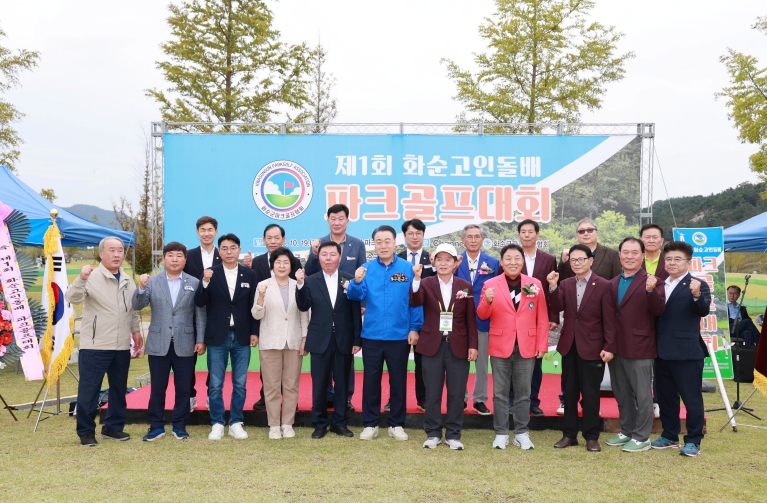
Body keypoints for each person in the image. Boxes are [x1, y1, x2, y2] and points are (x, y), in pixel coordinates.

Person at [347, 225, 423, 441]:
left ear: (395, 242)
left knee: (398, 382)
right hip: (372, 335)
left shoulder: (408, 269)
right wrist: (356, 281)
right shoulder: (366, 269)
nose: (383, 245)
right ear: (374, 245)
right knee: (371, 381)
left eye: (387, 241)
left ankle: (396, 424)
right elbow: (354, 296)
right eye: (378, 242)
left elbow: (415, 301)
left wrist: (414, 328)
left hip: (399, 336)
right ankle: (370, 424)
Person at [65, 237, 142, 447]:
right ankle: (86, 432)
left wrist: (136, 331)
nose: (117, 254)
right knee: (89, 391)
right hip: (95, 345)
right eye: (112, 250)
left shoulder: (127, 279)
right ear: (101, 254)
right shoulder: (90, 276)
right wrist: (81, 278)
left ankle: (113, 427)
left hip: (121, 345)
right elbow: (72, 297)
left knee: (118, 389)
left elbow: (131, 310)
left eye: (120, 250)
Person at [476, 244, 549, 450]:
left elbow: (542, 317)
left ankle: (521, 433)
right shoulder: (490, 284)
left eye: (517, 258)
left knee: (523, 393)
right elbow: (482, 314)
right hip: (500, 346)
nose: (513, 262)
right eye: (508, 258)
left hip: (527, 346)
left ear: (523, 261)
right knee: (499, 393)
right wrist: (487, 301)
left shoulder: (534, 284)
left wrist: (541, 344)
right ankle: (501, 433)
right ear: (501, 262)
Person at [132, 242, 207, 441]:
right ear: (163, 258)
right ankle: (156, 426)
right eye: (171, 255)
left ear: (185, 259)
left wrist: (201, 339)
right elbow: (137, 305)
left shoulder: (194, 282)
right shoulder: (152, 282)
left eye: (179, 256)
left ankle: (180, 425)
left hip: (186, 342)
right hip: (159, 342)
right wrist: (141, 288)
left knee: (184, 388)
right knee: (157, 387)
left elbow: (200, 313)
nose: (175, 259)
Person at [547, 244, 615, 452]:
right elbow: (557, 306)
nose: (577, 263)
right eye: (573, 260)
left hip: (593, 347)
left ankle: (591, 437)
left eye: (581, 259)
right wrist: (553, 287)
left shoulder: (604, 285)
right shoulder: (566, 283)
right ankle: (569, 435)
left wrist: (609, 346)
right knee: (569, 393)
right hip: (569, 346)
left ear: (590, 260)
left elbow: (610, 319)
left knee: (591, 394)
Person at [410, 243, 478, 450]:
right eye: (439, 259)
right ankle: (433, 433)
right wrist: (416, 280)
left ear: (456, 263)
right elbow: (415, 301)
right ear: (433, 262)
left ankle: (453, 434)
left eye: (448, 259)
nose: (443, 263)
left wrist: (473, 345)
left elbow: (470, 319)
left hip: (458, 345)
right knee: (432, 392)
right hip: (432, 345)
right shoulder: (425, 283)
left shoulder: (465, 286)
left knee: (456, 393)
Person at [194, 233, 258, 441]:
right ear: (219, 251)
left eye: (233, 248)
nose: (229, 252)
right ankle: (217, 423)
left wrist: (254, 332)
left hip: (242, 335)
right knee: (215, 383)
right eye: (224, 248)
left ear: (239, 250)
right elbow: (199, 302)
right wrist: (204, 282)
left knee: (240, 382)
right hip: (217, 336)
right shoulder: (211, 273)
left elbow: (254, 305)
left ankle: (236, 422)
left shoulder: (249, 274)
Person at [604, 237, 665, 453]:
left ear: (642, 256)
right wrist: (608, 345)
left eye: (634, 252)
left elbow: (659, 310)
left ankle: (642, 436)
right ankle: (627, 430)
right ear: (619, 256)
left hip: (640, 347)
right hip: (616, 348)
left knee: (642, 394)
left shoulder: (652, 281)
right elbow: (609, 317)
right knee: (621, 392)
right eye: (625, 252)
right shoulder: (612, 283)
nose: (630, 256)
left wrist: (651, 291)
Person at [295, 241, 362, 439]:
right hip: (319, 338)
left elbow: (355, 312)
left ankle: (340, 423)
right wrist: (300, 285)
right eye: (324, 254)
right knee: (320, 383)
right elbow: (303, 305)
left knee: (342, 383)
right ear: (318, 257)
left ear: (339, 258)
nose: (328, 258)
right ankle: (320, 424)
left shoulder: (350, 280)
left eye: (333, 254)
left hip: (344, 338)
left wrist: (357, 339)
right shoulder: (310, 280)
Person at [650, 241, 711, 457]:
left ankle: (693, 440)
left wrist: (696, 295)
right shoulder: (659, 284)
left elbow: (703, 310)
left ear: (688, 262)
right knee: (665, 397)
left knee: (691, 399)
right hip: (661, 351)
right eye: (668, 259)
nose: (672, 263)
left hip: (687, 353)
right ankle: (670, 435)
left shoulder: (697, 284)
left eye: (677, 259)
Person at [305, 204, 367, 411]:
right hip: (324, 309)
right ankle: (327, 397)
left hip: (347, 308)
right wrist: (313, 253)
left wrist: (362, 304)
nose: (337, 222)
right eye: (333, 218)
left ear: (347, 221)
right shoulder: (319, 244)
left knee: (345, 360)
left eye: (341, 218)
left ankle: (345, 398)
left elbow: (363, 273)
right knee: (323, 361)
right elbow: (309, 273)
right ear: (328, 220)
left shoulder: (357, 244)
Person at [556, 218, 621, 415]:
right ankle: (568, 415)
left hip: (596, 330)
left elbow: (616, 286)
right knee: (569, 382)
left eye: (589, 230)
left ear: (597, 232)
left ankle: (590, 418)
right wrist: (563, 263)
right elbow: (562, 285)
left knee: (591, 385)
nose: (585, 233)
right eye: (581, 231)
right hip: (572, 333)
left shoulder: (611, 255)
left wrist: (610, 342)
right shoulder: (569, 256)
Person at [243, 223, 302, 411]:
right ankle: (266, 396)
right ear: (263, 240)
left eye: (277, 237)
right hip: (266, 321)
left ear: (284, 240)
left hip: (289, 323)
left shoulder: (294, 261)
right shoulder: (257, 262)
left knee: (289, 369)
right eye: (269, 238)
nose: (273, 241)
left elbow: (300, 293)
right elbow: (254, 298)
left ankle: (289, 399)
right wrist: (254, 330)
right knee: (268, 365)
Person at [251, 247, 309, 439]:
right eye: (278, 262)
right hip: (270, 342)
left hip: (293, 342)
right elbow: (256, 314)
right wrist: (260, 296)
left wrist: (304, 338)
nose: (282, 266)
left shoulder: (298, 284)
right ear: (272, 265)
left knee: (291, 385)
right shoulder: (263, 285)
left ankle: (288, 423)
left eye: (286, 262)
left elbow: (304, 314)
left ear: (291, 266)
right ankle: (274, 425)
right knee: (272, 386)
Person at [509, 219, 558, 417]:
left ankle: (533, 401)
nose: (527, 235)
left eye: (530, 231)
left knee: (536, 361)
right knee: (513, 359)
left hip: (538, 318)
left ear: (537, 234)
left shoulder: (549, 259)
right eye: (523, 231)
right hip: (514, 317)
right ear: (519, 235)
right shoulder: (512, 257)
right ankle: (512, 400)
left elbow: (552, 288)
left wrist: (553, 316)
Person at [455, 224, 500, 416]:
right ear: (463, 240)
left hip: (483, 319)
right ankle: (460, 398)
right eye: (469, 237)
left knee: (481, 362)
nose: (473, 240)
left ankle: (480, 399)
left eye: (477, 236)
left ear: (482, 239)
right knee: (459, 362)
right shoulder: (455, 261)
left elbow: (498, 289)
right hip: (459, 320)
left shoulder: (493, 263)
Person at [183, 216, 222, 411]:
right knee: (188, 359)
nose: (206, 233)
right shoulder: (187, 256)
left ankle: (210, 395)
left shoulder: (224, 255)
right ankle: (189, 395)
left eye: (210, 229)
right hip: (191, 314)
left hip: (217, 315)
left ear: (216, 232)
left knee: (215, 360)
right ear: (197, 232)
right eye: (203, 230)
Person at [397, 218, 435, 412]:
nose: (414, 237)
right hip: (400, 318)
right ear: (404, 236)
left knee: (423, 363)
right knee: (397, 363)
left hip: (425, 318)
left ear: (423, 235)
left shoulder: (433, 260)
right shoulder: (396, 259)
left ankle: (423, 398)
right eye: (410, 233)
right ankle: (395, 399)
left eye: (418, 233)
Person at [640, 223, 668, 419]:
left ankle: (658, 401)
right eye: (647, 237)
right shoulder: (633, 259)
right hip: (638, 317)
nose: (650, 240)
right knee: (640, 363)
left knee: (661, 363)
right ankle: (641, 401)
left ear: (661, 241)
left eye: (654, 237)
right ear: (641, 239)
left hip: (664, 317)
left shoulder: (670, 261)